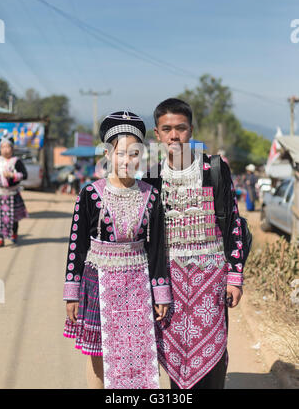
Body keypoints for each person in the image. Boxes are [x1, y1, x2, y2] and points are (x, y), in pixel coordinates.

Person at [63, 111, 171, 389]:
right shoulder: (90, 194)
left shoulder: (151, 195)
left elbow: (157, 248)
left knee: (140, 353)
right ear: (108, 154)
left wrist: (161, 292)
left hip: (138, 286)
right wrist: (71, 294)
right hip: (97, 283)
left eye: (134, 154)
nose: (127, 161)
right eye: (121, 153)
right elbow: (77, 246)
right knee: (99, 353)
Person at [144, 98, 245, 389]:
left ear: (191, 129)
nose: (174, 135)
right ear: (157, 134)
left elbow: (234, 222)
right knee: (176, 358)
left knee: (214, 355)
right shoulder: (152, 176)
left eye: (181, 128)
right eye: (167, 129)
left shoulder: (214, 168)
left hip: (212, 281)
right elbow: (149, 237)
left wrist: (234, 277)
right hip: (170, 282)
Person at [0, 130, 28, 246]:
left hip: (12, 194)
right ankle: (0, 238)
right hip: (0, 194)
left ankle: (14, 233)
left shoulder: (16, 162)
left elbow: (25, 175)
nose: (6, 149)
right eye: (3, 147)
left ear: (12, 148)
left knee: (14, 218)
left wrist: (13, 175)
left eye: (8, 147)